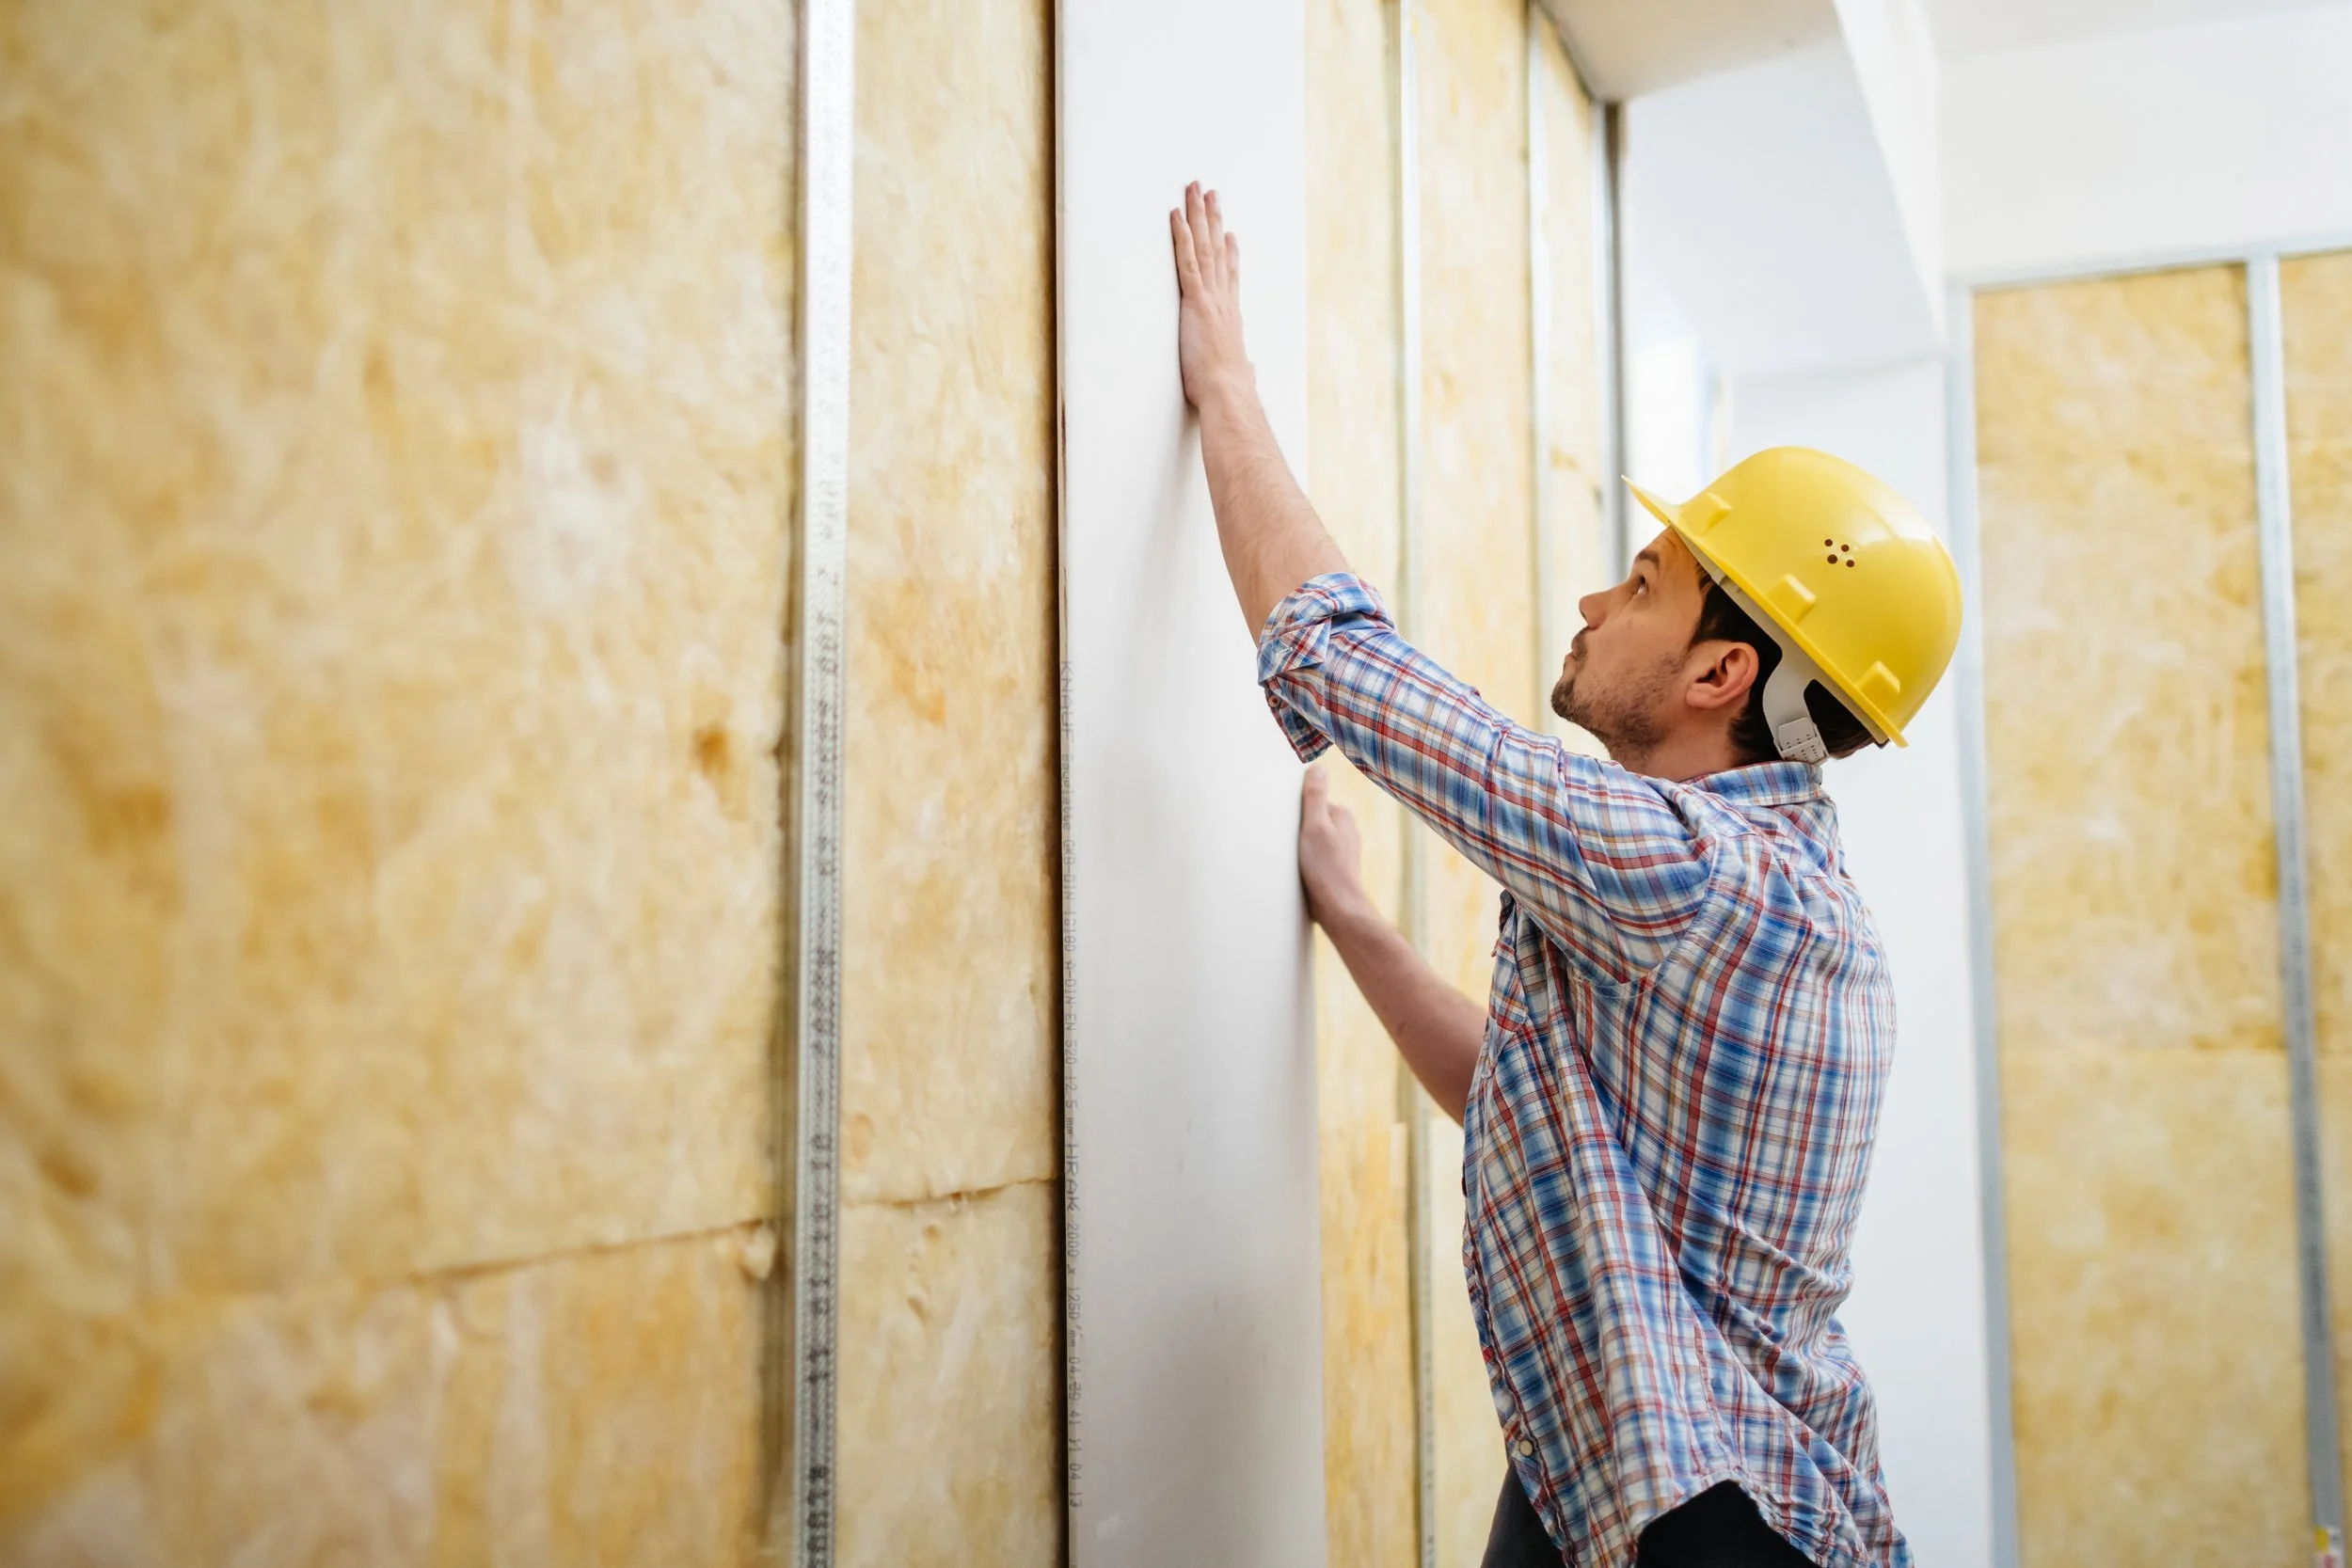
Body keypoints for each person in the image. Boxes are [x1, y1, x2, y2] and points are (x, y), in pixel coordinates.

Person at [1167, 182, 1963, 1568]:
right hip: (1645, 1472)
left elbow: (1342, 661)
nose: (1598, 601)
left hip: (1705, 1517)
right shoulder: (1785, 891)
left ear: (1725, 674)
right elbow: (1530, 1100)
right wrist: (1355, 922)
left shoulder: (1685, 873)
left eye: (1646, 583)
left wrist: (1223, 384)